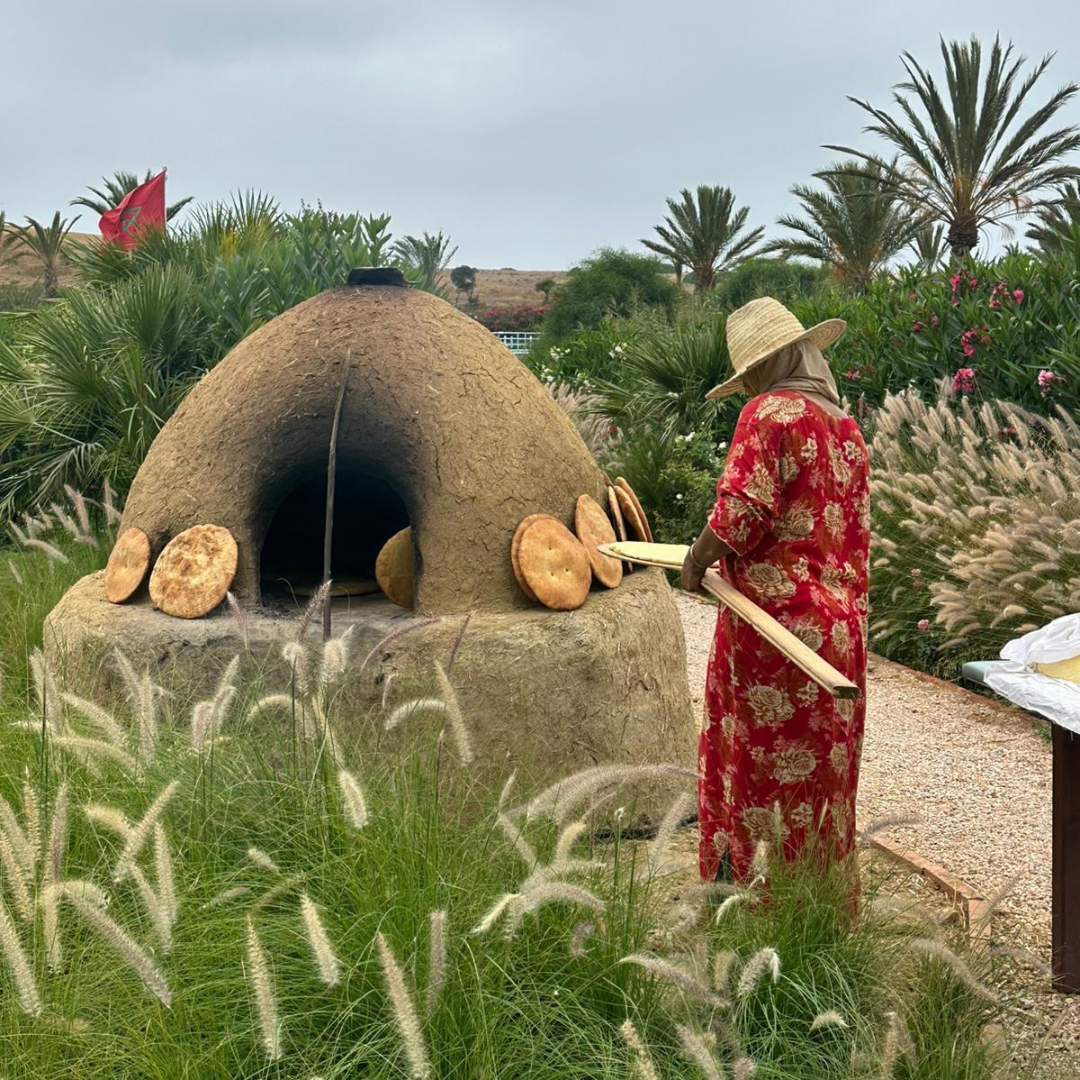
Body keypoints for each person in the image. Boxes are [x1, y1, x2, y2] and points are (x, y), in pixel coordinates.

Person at [680, 297, 870, 883]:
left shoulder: (771, 413)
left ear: (766, 365)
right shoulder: (846, 429)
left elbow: (742, 511)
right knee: (822, 776)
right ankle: (817, 903)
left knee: (759, 766)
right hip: (838, 632)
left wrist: (695, 560)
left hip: (775, 629)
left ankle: (753, 901)